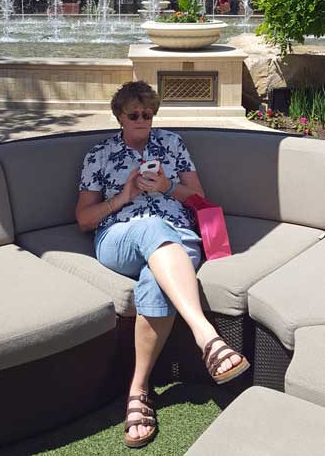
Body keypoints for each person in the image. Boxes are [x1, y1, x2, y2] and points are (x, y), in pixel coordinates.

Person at [76, 81, 249, 448]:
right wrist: (126, 195)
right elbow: (84, 219)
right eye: (134, 115)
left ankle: (137, 391)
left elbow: (200, 197)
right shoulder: (100, 154)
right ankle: (207, 336)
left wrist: (168, 188)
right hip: (118, 238)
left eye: (148, 114)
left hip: (177, 236)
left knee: (155, 278)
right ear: (119, 116)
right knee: (150, 226)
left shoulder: (172, 144)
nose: (142, 120)